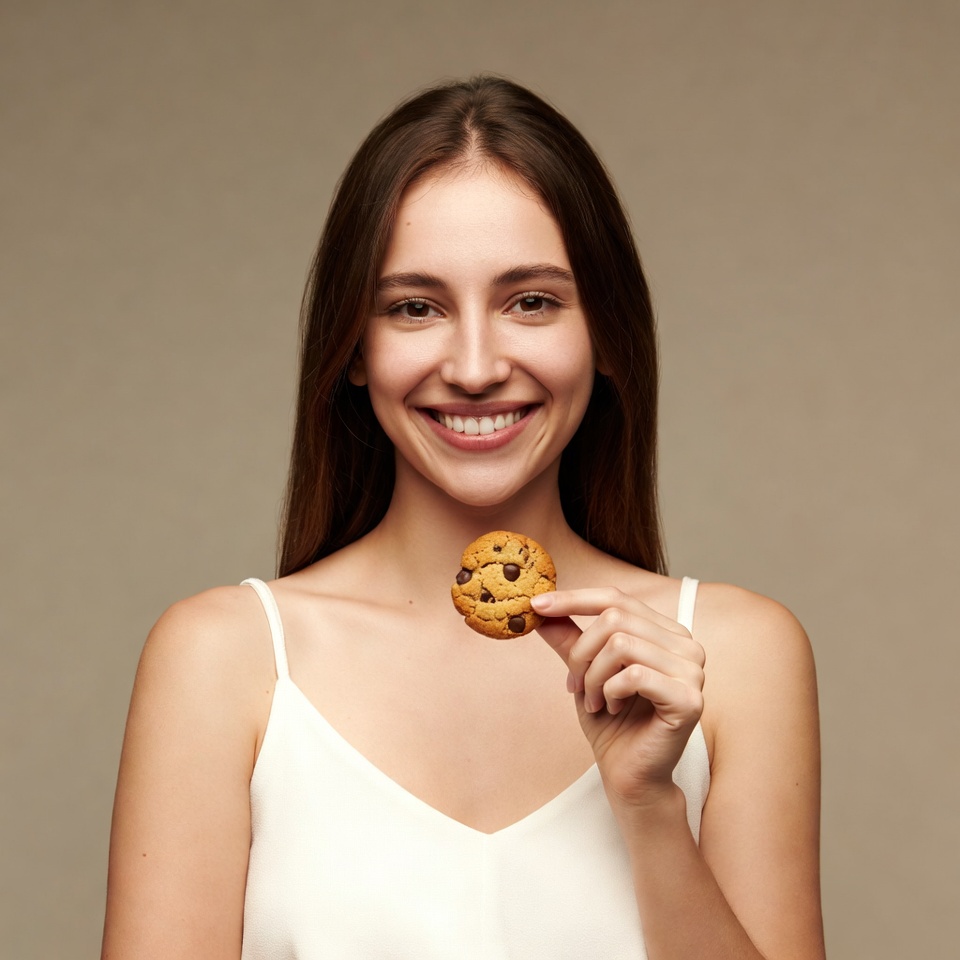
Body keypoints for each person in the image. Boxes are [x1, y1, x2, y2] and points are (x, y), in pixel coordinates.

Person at [101, 76, 824, 959]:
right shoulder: (223, 658)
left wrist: (649, 809)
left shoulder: (734, 657)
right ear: (354, 349)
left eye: (532, 301)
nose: (476, 366)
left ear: (606, 337)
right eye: (416, 307)